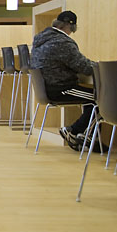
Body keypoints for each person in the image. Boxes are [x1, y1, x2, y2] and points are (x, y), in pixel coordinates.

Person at [30, 10, 97, 150]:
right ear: (70, 26)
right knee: (100, 99)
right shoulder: (63, 42)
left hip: (48, 88)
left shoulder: (40, 40)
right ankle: (76, 132)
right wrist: (100, 67)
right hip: (62, 88)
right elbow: (84, 67)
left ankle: (82, 136)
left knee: (91, 98)